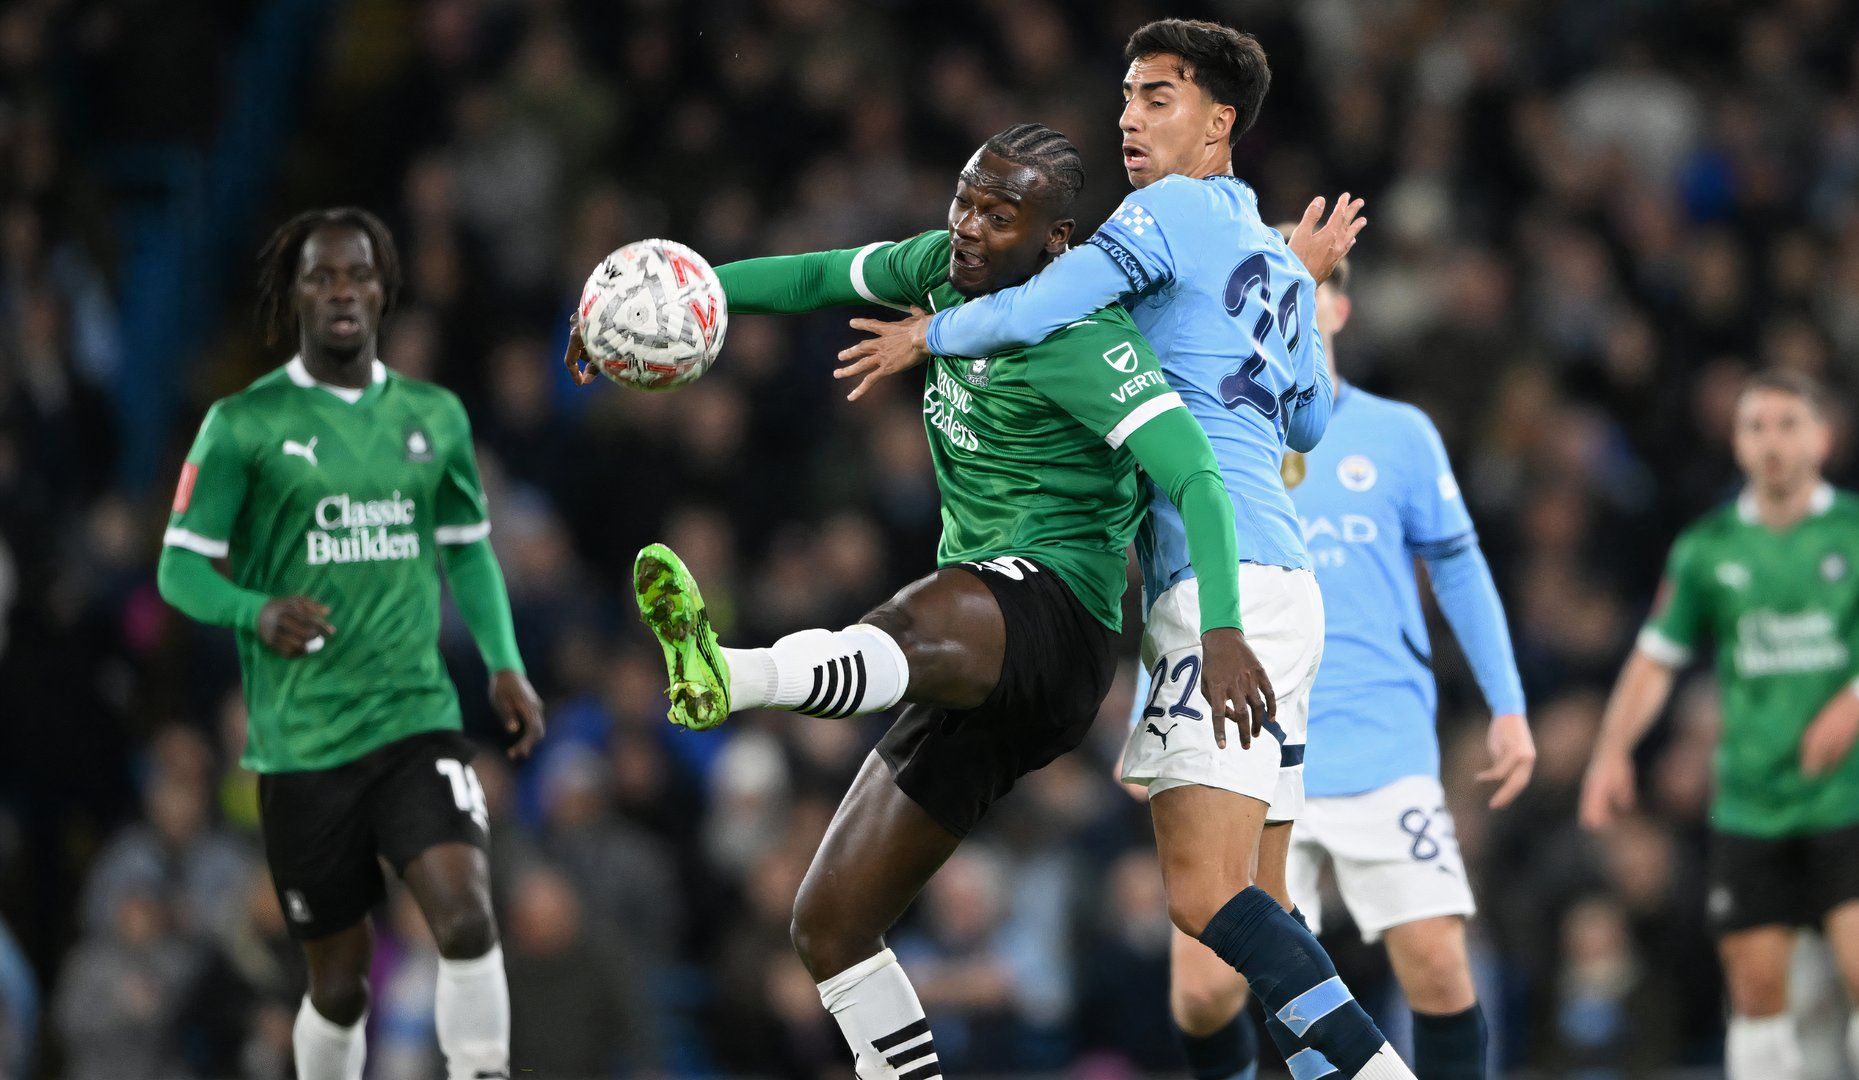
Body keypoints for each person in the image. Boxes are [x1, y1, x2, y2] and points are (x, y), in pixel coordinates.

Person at [578, 123, 1264, 1080]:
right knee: (829, 924)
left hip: (1059, 623)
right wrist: (666, 305)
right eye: (964, 201)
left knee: (925, 609)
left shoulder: (1079, 333)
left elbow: (1196, 479)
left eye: (999, 214)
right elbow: (816, 278)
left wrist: (1224, 627)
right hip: (972, 663)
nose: (970, 230)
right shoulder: (938, 270)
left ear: (1055, 243)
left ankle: (730, 674)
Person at [836, 19, 1410, 1080]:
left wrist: (931, 335)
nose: (1130, 120)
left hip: (1220, 585)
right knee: (1262, 913)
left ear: (1218, 122)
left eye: (1158, 98)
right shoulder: (1260, 251)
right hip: (1290, 588)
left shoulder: (1170, 212)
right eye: (1128, 98)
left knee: (1201, 899)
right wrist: (1301, 282)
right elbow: (1308, 426)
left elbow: (1050, 302)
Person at [157, 207, 545, 1080]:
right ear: (293, 294)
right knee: (338, 987)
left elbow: (468, 549)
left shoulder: (434, 415)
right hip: (303, 743)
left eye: (357, 274)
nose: (341, 290)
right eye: (321, 275)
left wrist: (506, 664)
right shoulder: (242, 424)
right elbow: (178, 571)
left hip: (416, 718)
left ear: (384, 288)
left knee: (467, 916)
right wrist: (254, 611)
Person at [1157, 261, 1534, 1080]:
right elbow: (1176, 584)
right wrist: (1155, 726)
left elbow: (1460, 567)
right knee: (1203, 994)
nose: (1281, 298)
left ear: (1337, 305)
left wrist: (1507, 705)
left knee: (1436, 960)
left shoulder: (1399, 434)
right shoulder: (1208, 436)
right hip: (1245, 738)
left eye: (1305, 278)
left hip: (1380, 742)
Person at [1579, 371, 1859, 1080]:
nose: (1772, 441)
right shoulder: (1709, 547)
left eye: (1789, 424)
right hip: (1750, 802)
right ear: (1736, 443)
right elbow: (1654, 660)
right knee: (1759, 998)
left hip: (1849, 795)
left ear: (1822, 439)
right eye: (1756, 426)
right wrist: (1612, 751)